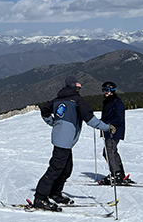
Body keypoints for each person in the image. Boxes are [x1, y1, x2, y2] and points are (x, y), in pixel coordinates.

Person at [33, 76, 115, 211]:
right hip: (64, 141)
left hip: (62, 140)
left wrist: (53, 123)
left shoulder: (57, 100)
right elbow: (90, 119)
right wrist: (106, 127)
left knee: (66, 169)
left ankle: (55, 193)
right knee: (55, 169)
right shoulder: (77, 100)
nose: (79, 90)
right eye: (78, 87)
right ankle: (40, 198)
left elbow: (44, 110)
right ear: (75, 88)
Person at [98, 81, 133, 185]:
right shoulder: (107, 102)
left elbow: (119, 119)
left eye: (107, 90)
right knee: (110, 151)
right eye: (103, 90)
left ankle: (116, 174)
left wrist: (105, 123)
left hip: (114, 131)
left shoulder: (117, 103)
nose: (105, 92)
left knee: (109, 151)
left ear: (112, 90)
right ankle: (120, 174)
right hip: (107, 131)